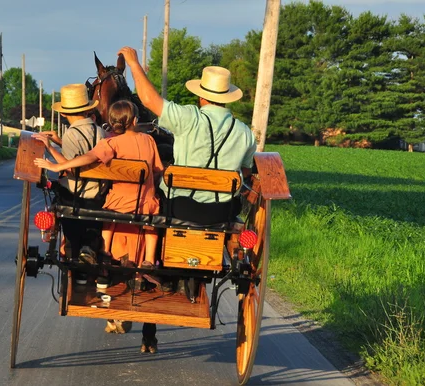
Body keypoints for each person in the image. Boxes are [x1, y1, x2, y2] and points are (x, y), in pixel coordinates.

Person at [34, 100, 163, 353]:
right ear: (135, 120)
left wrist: (57, 164)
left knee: (106, 214)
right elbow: (157, 171)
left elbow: (87, 158)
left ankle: (103, 256)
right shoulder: (149, 141)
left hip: (118, 207)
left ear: (112, 122)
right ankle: (146, 263)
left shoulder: (110, 143)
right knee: (154, 213)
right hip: (146, 205)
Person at [117, 47, 257, 224]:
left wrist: (134, 63)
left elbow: (148, 100)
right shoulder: (246, 133)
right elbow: (244, 171)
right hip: (222, 211)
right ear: (226, 98)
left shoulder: (189, 117)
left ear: (201, 96)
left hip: (180, 208)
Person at [32, 83, 106, 273]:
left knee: (57, 188)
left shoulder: (73, 134)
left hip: (77, 194)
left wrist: (49, 148)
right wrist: (59, 142)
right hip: (98, 194)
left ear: (64, 114)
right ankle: (90, 248)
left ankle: (74, 254)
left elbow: (72, 170)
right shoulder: (100, 131)